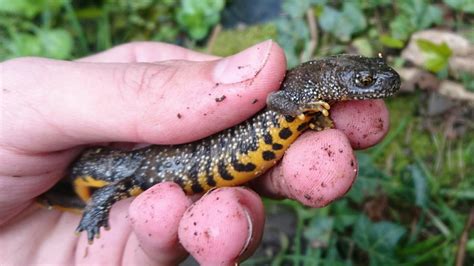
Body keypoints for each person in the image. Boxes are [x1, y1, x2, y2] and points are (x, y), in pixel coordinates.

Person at [0, 40, 390, 265]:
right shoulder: (302, 91)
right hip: (166, 165)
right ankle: (90, 209)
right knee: (125, 184)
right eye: (365, 81)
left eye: (369, 76)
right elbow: (278, 98)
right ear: (336, 80)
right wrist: (96, 210)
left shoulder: (315, 89)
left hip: (202, 159)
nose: (373, 86)